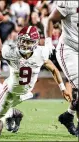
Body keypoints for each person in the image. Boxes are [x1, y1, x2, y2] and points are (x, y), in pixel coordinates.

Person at [0, 25, 71, 133]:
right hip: (10, 91)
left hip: (24, 92)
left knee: (3, 105)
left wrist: (63, 89)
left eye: (28, 42)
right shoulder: (11, 51)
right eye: (22, 41)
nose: (24, 44)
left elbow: (54, 70)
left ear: (35, 43)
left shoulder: (41, 53)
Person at [44, 1, 78, 136]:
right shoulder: (70, 2)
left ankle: (68, 115)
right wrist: (48, 41)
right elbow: (51, 19)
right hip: (69, 49)